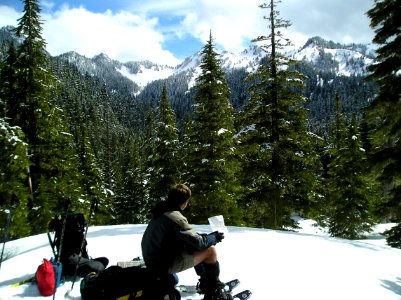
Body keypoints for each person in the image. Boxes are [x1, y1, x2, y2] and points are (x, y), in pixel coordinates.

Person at [141, 183, 230, 300]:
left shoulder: (161, 211)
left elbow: (189, 238)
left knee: (193, 246)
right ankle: (213, 291)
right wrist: (214, 238)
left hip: (154, 259)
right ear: (184, 202)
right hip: (162, 265)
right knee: (210, 251)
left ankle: (206, 283)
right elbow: (198, 243)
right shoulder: (174, 217)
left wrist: (205, 238)